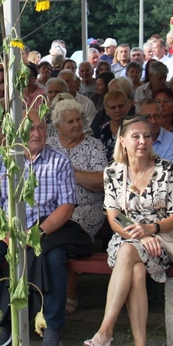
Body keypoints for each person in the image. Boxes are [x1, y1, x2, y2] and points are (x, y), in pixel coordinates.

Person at [0, 112, 92, 346]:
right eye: (30, 129)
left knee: (54, 258)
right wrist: (5, 235)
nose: (36, 134)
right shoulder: (3, 161)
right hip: (8, 224)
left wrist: (37, 233)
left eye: (41, 128)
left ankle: (52, 327)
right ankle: (7, 318)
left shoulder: (59, 161)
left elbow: (66, 207)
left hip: (47, 226)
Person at [84, 115, 173, 346]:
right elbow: (113, 216)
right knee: (136, 269)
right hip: (126, 238)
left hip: (159, 240)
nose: (142, 141)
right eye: (135, 136)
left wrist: (150, 230)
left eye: (147, 136)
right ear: (123, 141)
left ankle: (106, 331)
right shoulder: (113, 172)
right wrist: (137, 235)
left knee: (131, 254)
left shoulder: (165, 168)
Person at [47, 98, 108, 313]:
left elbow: (100, 182)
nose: (77, 125)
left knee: (61, 236)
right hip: (51, 208)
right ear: (57, 126)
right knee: (53, 238)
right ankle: (53, 294)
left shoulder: (94, 146)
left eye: (79, 119)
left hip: (86, 208)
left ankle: (69, 294)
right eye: (70, 121)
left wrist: (69, 172)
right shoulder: (49, 146)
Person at [146, 91, 173, 181]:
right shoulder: (130, 140)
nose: (153, 121)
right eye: (147, 117)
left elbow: (170, 180)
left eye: (166, 101)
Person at [95, 90, 130, 160]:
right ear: (107, 111)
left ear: (127, 107)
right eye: (113, 108)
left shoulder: (136, 129)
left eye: (121, 106)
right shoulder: (101, 132)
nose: (117, 110)